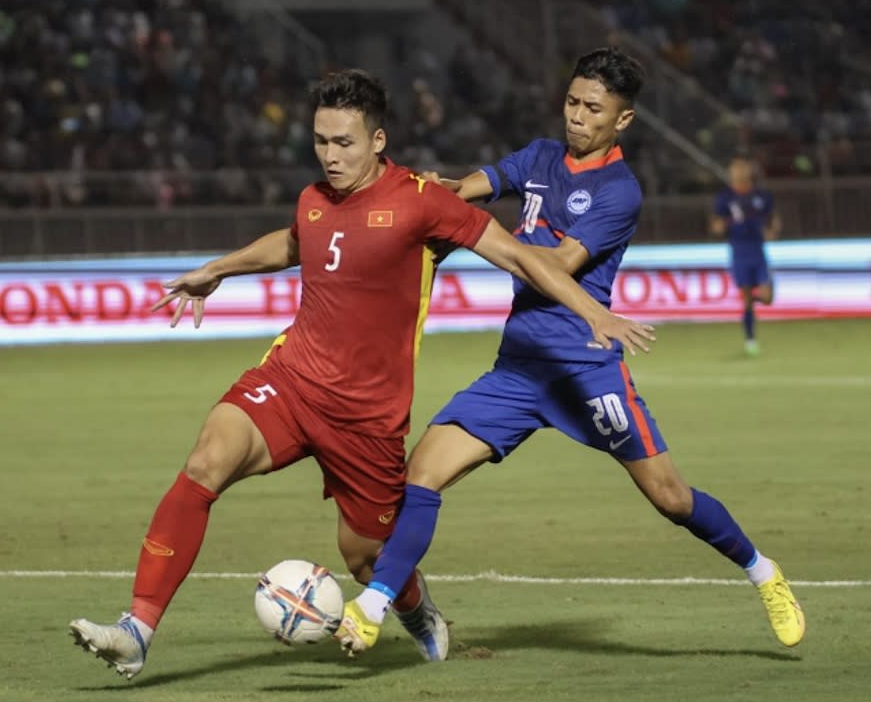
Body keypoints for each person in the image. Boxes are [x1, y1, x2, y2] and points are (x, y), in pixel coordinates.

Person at [67, 68, 653, 681]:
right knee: (205, 463)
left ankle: (417, 608)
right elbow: (296, 243)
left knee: (365, 555)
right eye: (320, 141)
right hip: (292, 381)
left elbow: (517, 257)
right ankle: (137, 629)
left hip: (367, 419)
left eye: (343, 143)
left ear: (377, 141)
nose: (329, 156)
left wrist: (593, 311)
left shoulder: (425, 201)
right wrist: (220, 268)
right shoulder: (314, 197)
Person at [334, 48, 805, 660]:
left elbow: (551, 267)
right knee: (422, 472)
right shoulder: (538, 156)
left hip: (586, 371)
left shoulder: (619, 191)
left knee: (670, 497)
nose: (577, 117)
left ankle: (761, 570)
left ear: (623, 120)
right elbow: (466, 189)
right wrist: (429, 196)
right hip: (520, 368)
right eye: (572, 102)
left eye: (594, 108)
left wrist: (469, 231)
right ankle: (378, 607)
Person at [710, 157, 781, 356]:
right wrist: (719, 227)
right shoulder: (725, 198)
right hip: (739, 252)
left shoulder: (761, 196)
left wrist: (773, 231)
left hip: (757, 251)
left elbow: (772, 218)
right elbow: (716, 223)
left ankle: (765, 289)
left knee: (766, 298)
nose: (739, 172)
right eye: (735, 169)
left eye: (742, 168)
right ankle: (750, 339)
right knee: (747, 300)